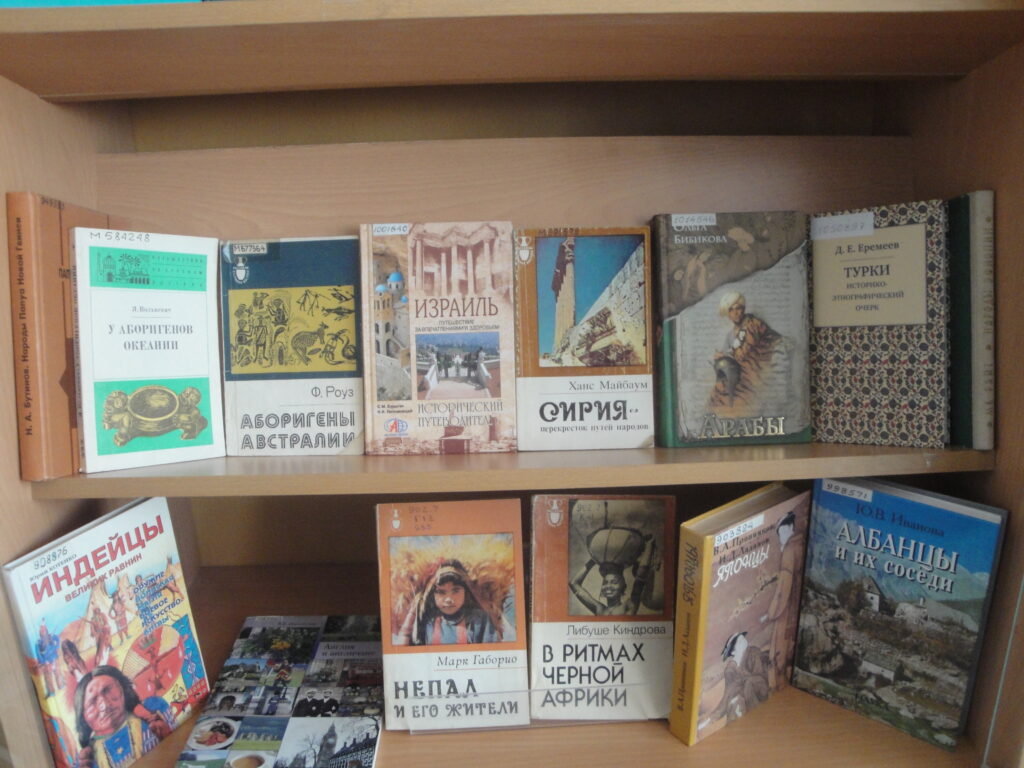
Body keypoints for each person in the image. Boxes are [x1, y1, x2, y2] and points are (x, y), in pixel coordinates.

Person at [73, 666, 171, 768]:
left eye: (107, 690)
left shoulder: (154, 709)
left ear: (122, 687)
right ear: (83, 716)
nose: (104, 705)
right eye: (93, 701)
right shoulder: (84, 760)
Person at [395, 560, 505, 646]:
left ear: (466, 592)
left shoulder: (479, 619)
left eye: (456, 591)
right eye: (441, 592)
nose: (449, 599)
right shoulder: (427, 621)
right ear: (432, 595)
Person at [709, 291, 782, 410]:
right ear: (728, 313)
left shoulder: (754, 324)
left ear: (743, 309)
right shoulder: (730, 335)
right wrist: (720, 355)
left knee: (738, 396)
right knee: (717, 391)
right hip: (736, 370)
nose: (735, 313)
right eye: (731, 310)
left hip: (755, 368)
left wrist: (726, 355)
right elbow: (726, 352)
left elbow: (746, 351)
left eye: (738, 308)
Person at [570, 536, 657, 616]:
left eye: (614, 582)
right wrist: (594, 558)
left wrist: (649, 546)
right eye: (605, 583)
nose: (608, 586)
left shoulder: (629, 605)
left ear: (623, 587)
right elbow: (574, 583)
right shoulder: (599, 609)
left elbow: (642, 573)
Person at [767, 510, 805, 689]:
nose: (781, 536)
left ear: (790, 527)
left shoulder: (790, 549)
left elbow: (784, 586)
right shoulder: (800, 544)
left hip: (787, 607)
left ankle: (777, 683)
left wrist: (772, 612)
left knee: (780, 645)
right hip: (797, 602)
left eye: (782, 531)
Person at [701, 632, 771, 729]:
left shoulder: (753, 652)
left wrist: (738, 671)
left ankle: (756, 716)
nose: (743, 639)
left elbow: (759, 675)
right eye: (739, 641)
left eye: (742, 638)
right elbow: (727, 696)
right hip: (746, 692)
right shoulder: (732, 669)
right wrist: (710, 719)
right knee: (734, 702)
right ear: (733, 652)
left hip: (761, 687)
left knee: (749, 684)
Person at [36, 620, 61, 697]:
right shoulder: (38, 643)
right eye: (41, 629)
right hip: (46, 662)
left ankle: (61, 686)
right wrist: (44, 661)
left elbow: (57, 640)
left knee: (58, 674)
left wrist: (56, 646)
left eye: (44, 629)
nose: (43, 631)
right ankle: (51, 692)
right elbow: (38, 653)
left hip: (54, 658)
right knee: (48, 678)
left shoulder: (51, 637)